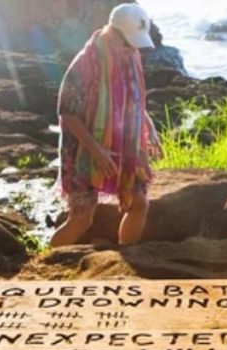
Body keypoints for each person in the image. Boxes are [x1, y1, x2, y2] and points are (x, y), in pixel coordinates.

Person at [50, 3, 162, 247]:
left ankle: (127, 260)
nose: (132, 50)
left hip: (124, 145)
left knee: (139, 203)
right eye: (128, 43)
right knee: (81, 219)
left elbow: (133, 100)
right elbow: (67, 112)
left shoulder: (131, 57)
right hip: (82, 149)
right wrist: (97, 151)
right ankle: (47, 264)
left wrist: (148, 125)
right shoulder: (85, 64)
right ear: (112, 34)